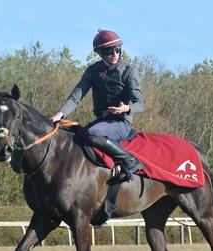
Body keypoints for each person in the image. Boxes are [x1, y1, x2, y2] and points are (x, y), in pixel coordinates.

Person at [49, 29, 144, 182]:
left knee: (92, 133)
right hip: (102, 121)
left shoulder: (128, 71)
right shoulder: (93, 71)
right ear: (100, 53)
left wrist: (126, 108)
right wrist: (59, 115)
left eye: (118, 49)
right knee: (75, 136)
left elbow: (140, 105)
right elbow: (75, 98)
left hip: (121, 123)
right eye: (109, 51)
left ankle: (130, 161)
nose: (115, 54)